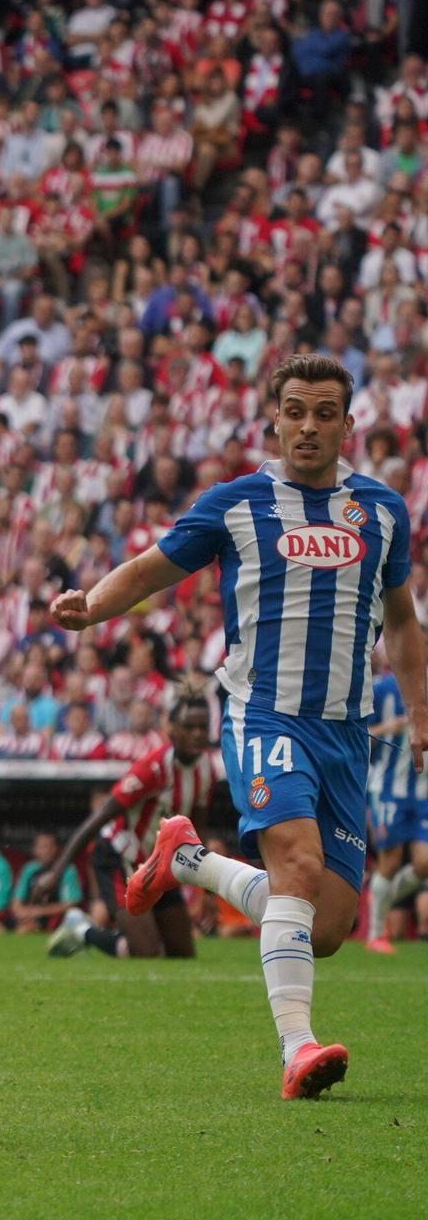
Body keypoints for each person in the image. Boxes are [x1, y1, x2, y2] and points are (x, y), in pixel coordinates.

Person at [52, 354, 428, 1100]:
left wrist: (420, 710)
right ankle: (298, 1049)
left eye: (325, 412)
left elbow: (403, 621)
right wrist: (91, 605)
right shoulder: (236, 503)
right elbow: (151, 568)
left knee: (324, 925)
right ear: (275, 419)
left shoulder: (382, 511)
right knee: (296, 863)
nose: (309, 426)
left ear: (348, 424)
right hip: (265, 713)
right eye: (296, 411)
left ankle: (188, 860)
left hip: (347, 735)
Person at [44, 693, 218, 960]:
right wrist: (56, 873)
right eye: (189, 727)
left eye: (202, 727)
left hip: (160, 864)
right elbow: (99, 817)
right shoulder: (152, 768)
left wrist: (207, 890)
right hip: (120, 858)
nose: (197, 734)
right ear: (171, 730)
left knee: (182, 954)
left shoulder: (207, 769)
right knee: (146, 952)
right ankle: (82, 930)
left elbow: (199, 829)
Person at [364, 662, 428, 952]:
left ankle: (381, 900)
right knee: (389, 860)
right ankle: (376, 934)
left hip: (423, 792)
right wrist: (387, 728)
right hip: (388, 788)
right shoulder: (381, 689)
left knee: (424, 863)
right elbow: (358, 732)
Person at [8, 832, 79, 933]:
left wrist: (39, 911)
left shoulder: (67, 870)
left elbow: (71, 905)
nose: (46, 851)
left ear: (56, 849)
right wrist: (21, 912)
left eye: (49, 847)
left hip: (55, 918)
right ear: (34, 850)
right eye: (41, 847)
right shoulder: (29, 869)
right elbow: (16, 901)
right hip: (30, 916)